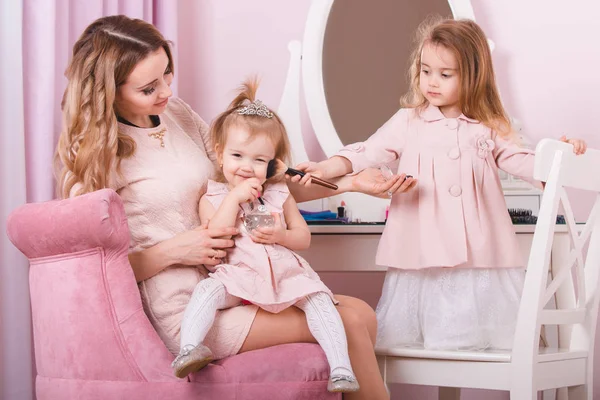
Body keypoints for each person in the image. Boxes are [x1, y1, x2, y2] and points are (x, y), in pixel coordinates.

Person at [54, 15, 399, 399]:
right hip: (186, 311)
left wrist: (350, 183)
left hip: (235, 279)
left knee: (362, 315)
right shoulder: (95, 156)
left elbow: (255, 184)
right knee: (351, 322)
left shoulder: (177, 114)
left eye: (168, 73)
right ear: (108, 92)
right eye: (149, 88)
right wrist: (175, 251)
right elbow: (92, 274)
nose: (167, 90)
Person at [296, 18, 587, 351]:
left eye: (445, 75)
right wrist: (324, 166)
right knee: (421, 343)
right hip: (423, 258)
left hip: (480, 256)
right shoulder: (410, 120)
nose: (432, 82)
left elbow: (524, 161)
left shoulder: (488, 126)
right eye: (425, 71)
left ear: (473, 76)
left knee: (484, 339)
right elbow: (365, 151)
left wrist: (560, 154)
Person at [171, 79, 359, 393]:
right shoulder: (214, 196)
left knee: (320, 300)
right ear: (219, 154)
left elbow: (303, 237)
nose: (247, 167)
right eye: (237, 156)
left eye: (259, 160)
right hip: (239, 275)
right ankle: (189, 347)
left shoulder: (279, 195)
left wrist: (280, 235)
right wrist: (235, 198)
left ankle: (341, 367)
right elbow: (216, 232)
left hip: (283, 275)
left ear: (271, 164)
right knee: (207, 289)